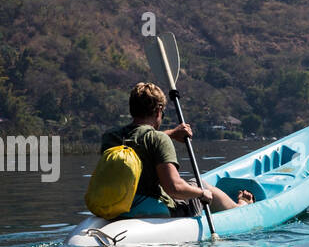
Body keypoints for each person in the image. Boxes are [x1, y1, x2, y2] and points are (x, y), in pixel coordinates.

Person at [103, 82, 252, 216]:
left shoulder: (111, 137)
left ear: (132, 109)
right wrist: (201, 193)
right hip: (155, 209)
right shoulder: (159, 140)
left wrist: (172, 134)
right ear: (158, 111)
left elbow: (137, 138)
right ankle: (240, 207)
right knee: (199, 183)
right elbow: (174, 188)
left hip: (119, 207)